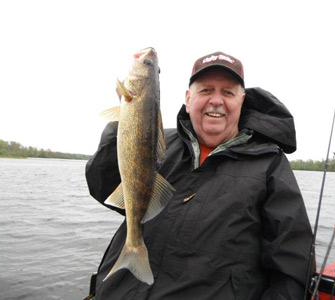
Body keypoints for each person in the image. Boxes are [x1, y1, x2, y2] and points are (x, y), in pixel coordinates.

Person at [85, 51, 314, 299]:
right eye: (206, 90)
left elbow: (292, 267)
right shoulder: (159, 143)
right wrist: (127, 121)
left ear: (242, 100)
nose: (216, 100)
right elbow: (102, 186)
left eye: (227, 92)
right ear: (188, 98)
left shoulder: (268, 164)